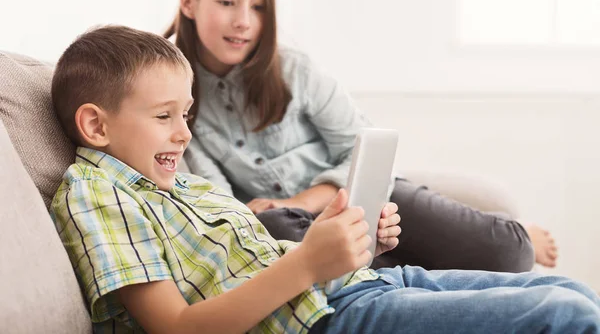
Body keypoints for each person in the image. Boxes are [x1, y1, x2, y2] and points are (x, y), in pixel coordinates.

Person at [50, 25, 599, 333]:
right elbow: (175, 328)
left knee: (574, 293)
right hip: (327, 318)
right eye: (164, 116)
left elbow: (267, 259)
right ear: (96, 124)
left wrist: (348, 244)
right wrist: (308, 263)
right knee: (566, 316)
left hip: (360, 285)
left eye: (186, 116)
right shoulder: (96, 191)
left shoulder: (184, 188)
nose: (183, 135)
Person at [164, 0, 557, 272]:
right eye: (228, 2)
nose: (244, 21)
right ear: (188, 2)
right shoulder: (173, 92)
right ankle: (388, 271)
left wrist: (301, 200)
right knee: (275, 229)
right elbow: (212, 197)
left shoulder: (293, 69)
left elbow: (363, 150)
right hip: (292, 228)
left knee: (510, 254)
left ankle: (511, 232)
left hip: (364, 197)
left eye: (259, 6)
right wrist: (274, 211)